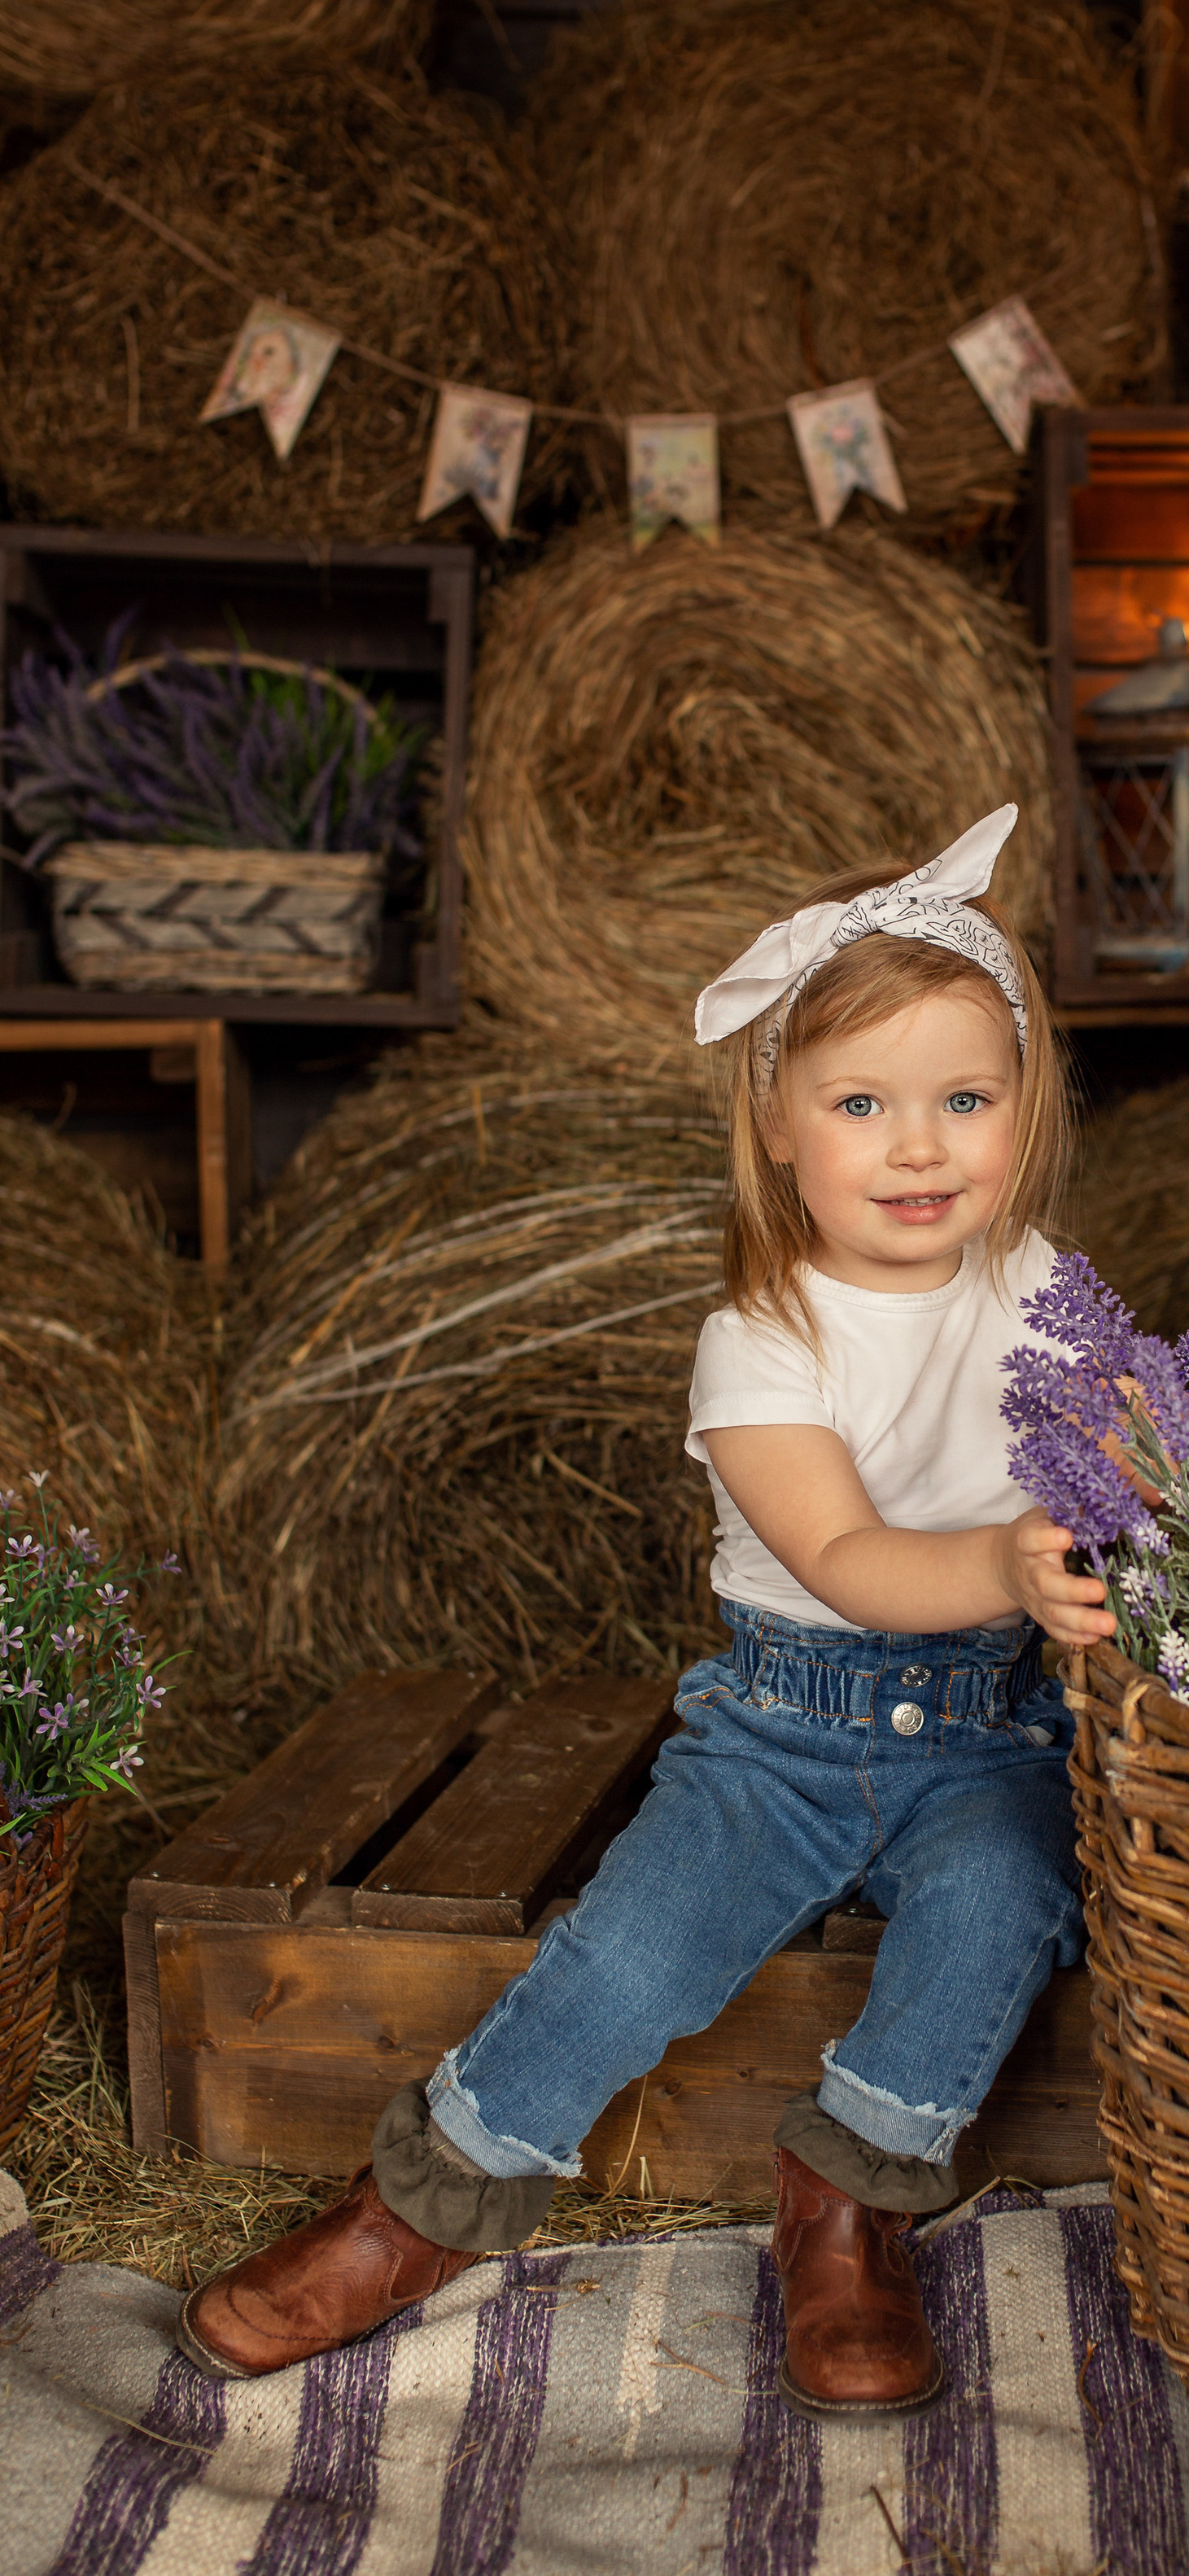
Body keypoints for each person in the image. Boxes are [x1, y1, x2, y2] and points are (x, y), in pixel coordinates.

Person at [176, 807, 1118, 2421]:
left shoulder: (1041, 1288)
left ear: (1022, 1110)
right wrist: (1007, 1564)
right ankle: (417, 2207)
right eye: (862, 1103)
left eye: (965, 1098)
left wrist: (1161, 1476)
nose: (918, 1145)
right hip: (782, 1735)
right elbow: (837, 1551)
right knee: (632, 1955)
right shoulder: (756, 1335)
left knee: (1006, 1896)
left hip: (989, 1734)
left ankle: (846, 2202)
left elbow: (1122, 1443)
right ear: (774, 1122)